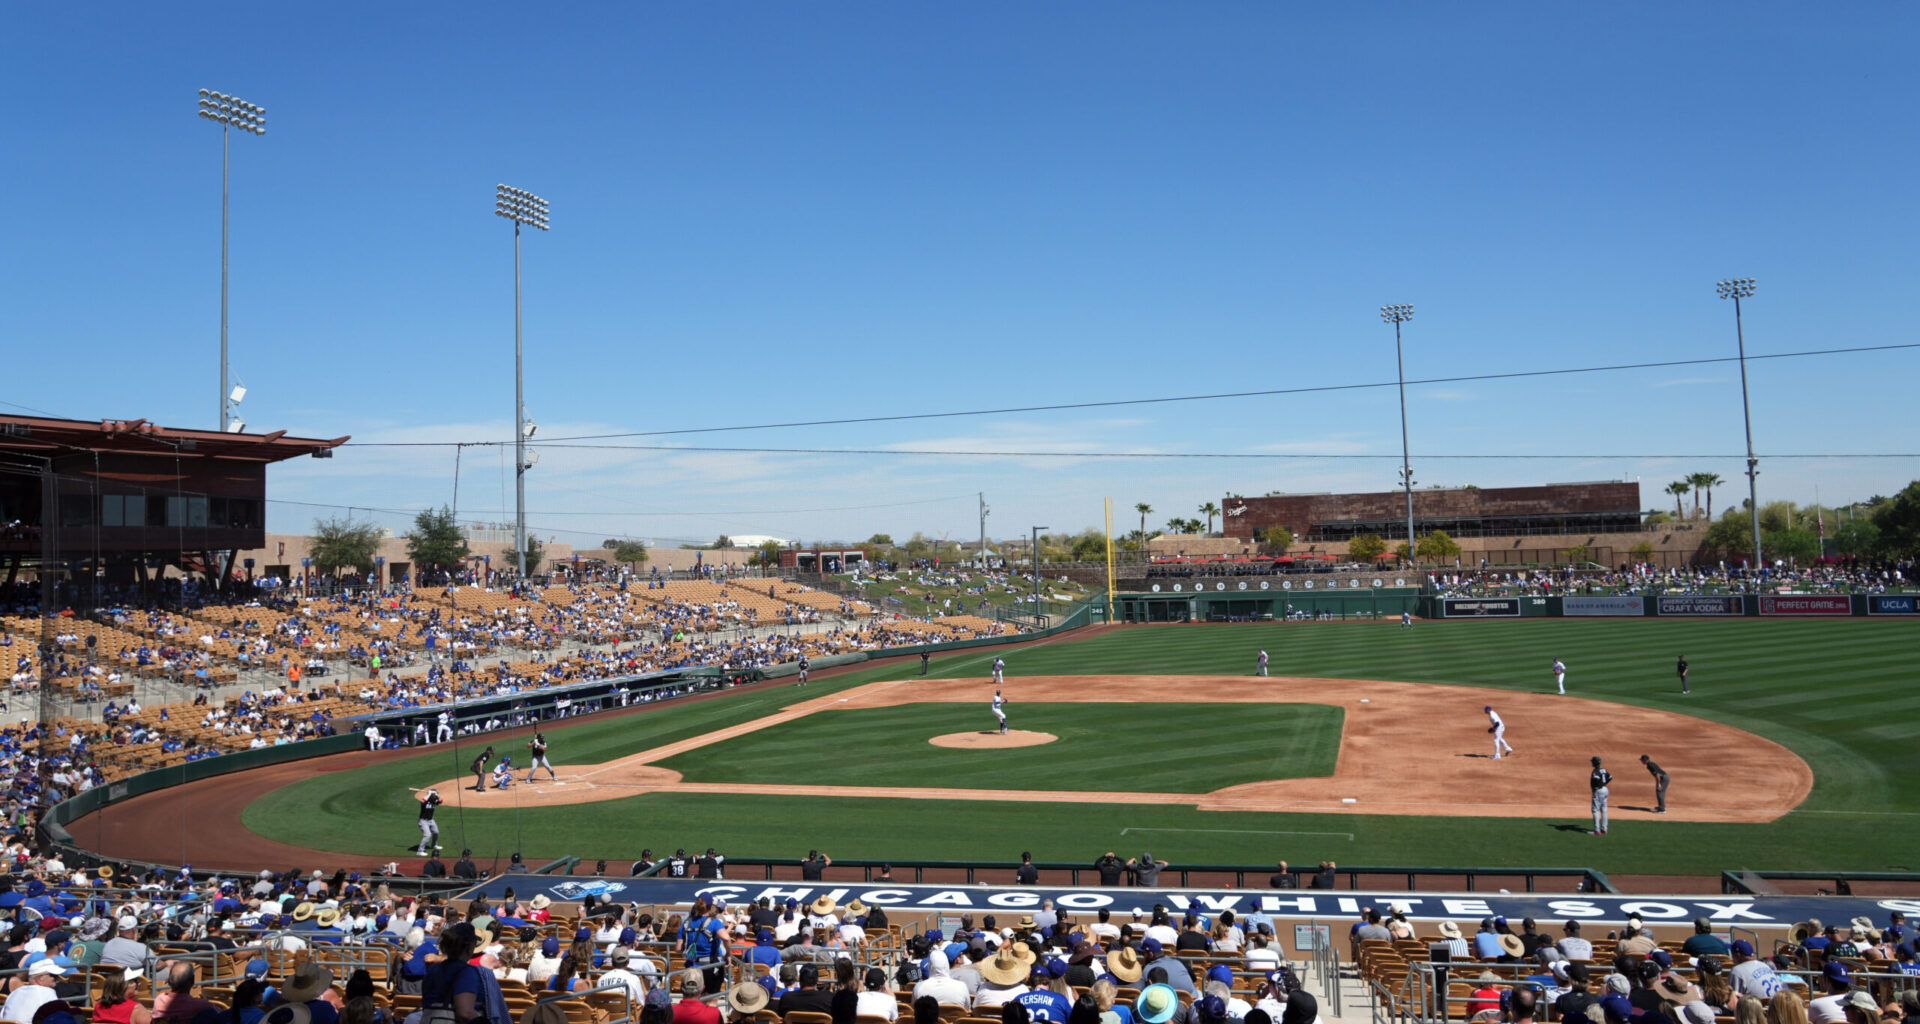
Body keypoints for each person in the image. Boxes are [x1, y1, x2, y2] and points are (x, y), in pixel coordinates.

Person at [415, 788, 443, 856]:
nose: (435, 796)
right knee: (427, 835)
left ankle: (434, 845)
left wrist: (436, 795)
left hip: (431, 820)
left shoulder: (434, 801)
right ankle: (419, 851)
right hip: (423, 821)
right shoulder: (425, 801)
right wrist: (429, 794)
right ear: (430, 795)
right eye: (434, 795)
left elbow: (441, 801)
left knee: (436, 832)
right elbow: (422, 800)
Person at [1589, 757, 1612, 835]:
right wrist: (1604, 784)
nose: (1591, 763)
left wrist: (1596, 787)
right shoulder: (1603, 770)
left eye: (1592, 762)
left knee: (1595, 810)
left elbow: (1596, 780)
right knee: (1604, 810)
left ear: (1595, 763)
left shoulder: (1596, 771)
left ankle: (1597, 830)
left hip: (1598, 791)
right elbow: (1610, 777)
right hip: (1605, 790)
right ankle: (1604, 829)